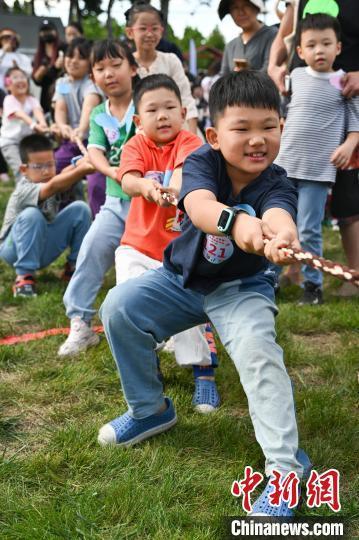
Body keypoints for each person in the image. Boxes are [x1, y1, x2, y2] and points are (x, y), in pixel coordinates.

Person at [97, 70, 311, 518]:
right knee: (119, 307)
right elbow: (199, 207)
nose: (257, 140)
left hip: (241, 290)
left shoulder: (277, 181)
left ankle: (286, 471)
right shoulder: (200, 162)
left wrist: (281, 236)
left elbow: (280, 216)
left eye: (268, 127)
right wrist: (242, 224)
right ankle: (150, 409)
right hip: (179, 279)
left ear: (281, 129)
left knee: (258, 355)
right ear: (213, 135)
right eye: (242, 129)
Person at [114, 74, 220, 412]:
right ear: (137, 120)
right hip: (137, 245)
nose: (162, 115)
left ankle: (203, 371)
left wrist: (172, 189)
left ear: (184, 110)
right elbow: (128, 179)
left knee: (187, 308)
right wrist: (147, 188)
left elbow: (181, 170)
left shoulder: (191, 142)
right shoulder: (135, 145)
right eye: (153, 109)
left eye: (170, 108)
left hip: (180, 250)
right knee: (125, 300)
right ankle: (147, 374)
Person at [268, 0, 359, 298]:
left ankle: (313, 285)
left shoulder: (343, 82)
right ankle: (268, 278)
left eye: (326, 44)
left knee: (309, 229)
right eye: (312, 45)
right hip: (285, 166)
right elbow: (281, 113)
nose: (319, 50)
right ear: (300, 51)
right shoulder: (295, 78)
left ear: (339, 48)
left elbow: (355, 123)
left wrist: (349, 143)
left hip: (319, 171)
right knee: (274, 221)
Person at [58, 39, 137, 357]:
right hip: (115, 202)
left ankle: (178, 330)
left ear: (133, 68)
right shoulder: (100, 114)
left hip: (153, 206)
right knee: (90, 251)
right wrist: (115, 173)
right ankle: (80, 324)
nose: (109, 73)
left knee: (162, 264)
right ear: (93, 77)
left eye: (116, 65)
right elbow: (95, 152)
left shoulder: (146, 104)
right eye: (100, 68)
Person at [0, 134, 92, 297]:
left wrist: (77, 162)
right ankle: (24, 277)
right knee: (32, 214)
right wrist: (81, 170)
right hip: (13, 249)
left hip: (41, 245)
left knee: (80, 209)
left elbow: (62, 174)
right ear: (24, 170)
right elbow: (53, 186)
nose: (46, 171)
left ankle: (73, 269)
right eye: (38, 166)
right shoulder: (24, 189)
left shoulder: (51, 178)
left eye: (50, 164)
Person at [124, 2, 198, 135]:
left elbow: (186, 99)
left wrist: (192, 137)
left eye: (154, 28)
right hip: (140, 133)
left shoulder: (171, 61)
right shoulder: (125, 64)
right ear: (130, 32)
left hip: (177, 129)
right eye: (143, 28)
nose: (149, 34)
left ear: (161, 31)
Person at [52, 37, 105, 215]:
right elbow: (60, 107)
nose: (73, 61)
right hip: (72, 139)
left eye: (80, 57)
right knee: (56, 165)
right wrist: (62, 125)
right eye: (70, 55)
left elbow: (89, 106)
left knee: (96, 182)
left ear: (89, 63)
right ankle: (62, 212)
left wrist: (81, 130)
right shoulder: (64, 84)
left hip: (95, 140)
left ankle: (98, 218)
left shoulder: (91, 83)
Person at [0, 67, 48, 184]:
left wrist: (43, 124)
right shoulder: (9, 100)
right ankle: (23, 197)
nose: (20, 80)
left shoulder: (32, 99)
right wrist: (34, 125)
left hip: (26, 142)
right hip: (10, 143)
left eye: (22, 77)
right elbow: (20, 114)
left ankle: (34, 195)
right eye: (15, 77)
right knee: (21, 171)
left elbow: (38, 111)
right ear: (7, 85)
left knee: (34, 170)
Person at [218, 0, 278, 75]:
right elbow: (223, 76)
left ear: (257, 9)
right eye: (235, 8)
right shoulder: (230, 46)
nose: (241, 12)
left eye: (246, 6)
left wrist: (246, 75)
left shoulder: (273, 35)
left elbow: (271, 71)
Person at [32, 20, 66, 114]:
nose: (46, 33)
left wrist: (56, 67)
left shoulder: (64, 48)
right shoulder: (39, 55)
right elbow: (37, 81)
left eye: (49, 30)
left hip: (63, 88)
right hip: (46, 97)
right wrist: (38, 76)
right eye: (43, 31)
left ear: (55, 31)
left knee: (62, 112)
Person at [0, 28, 32, 92]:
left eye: (12, 38)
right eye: (5, 38)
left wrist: (17, 68)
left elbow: (28, 74)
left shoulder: (23, 58)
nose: (9, 40)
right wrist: (3, 52)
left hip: (16, 93)